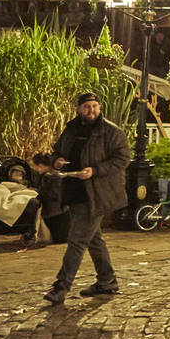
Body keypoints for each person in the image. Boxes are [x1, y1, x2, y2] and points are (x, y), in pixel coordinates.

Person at [43, 92, 130, 305]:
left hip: (97, 193)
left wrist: (96, 170)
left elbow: (122, 158)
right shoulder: (72, 128)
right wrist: (56, 161)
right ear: (79, 109)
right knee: (93, 238)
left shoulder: (110, 131)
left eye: (95, 106)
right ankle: (107, 281)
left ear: (100, 108)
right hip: (74, 190)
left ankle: (61, 286)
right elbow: (57, 151)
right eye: (86, 107)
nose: (91, 110)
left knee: (77, 240)